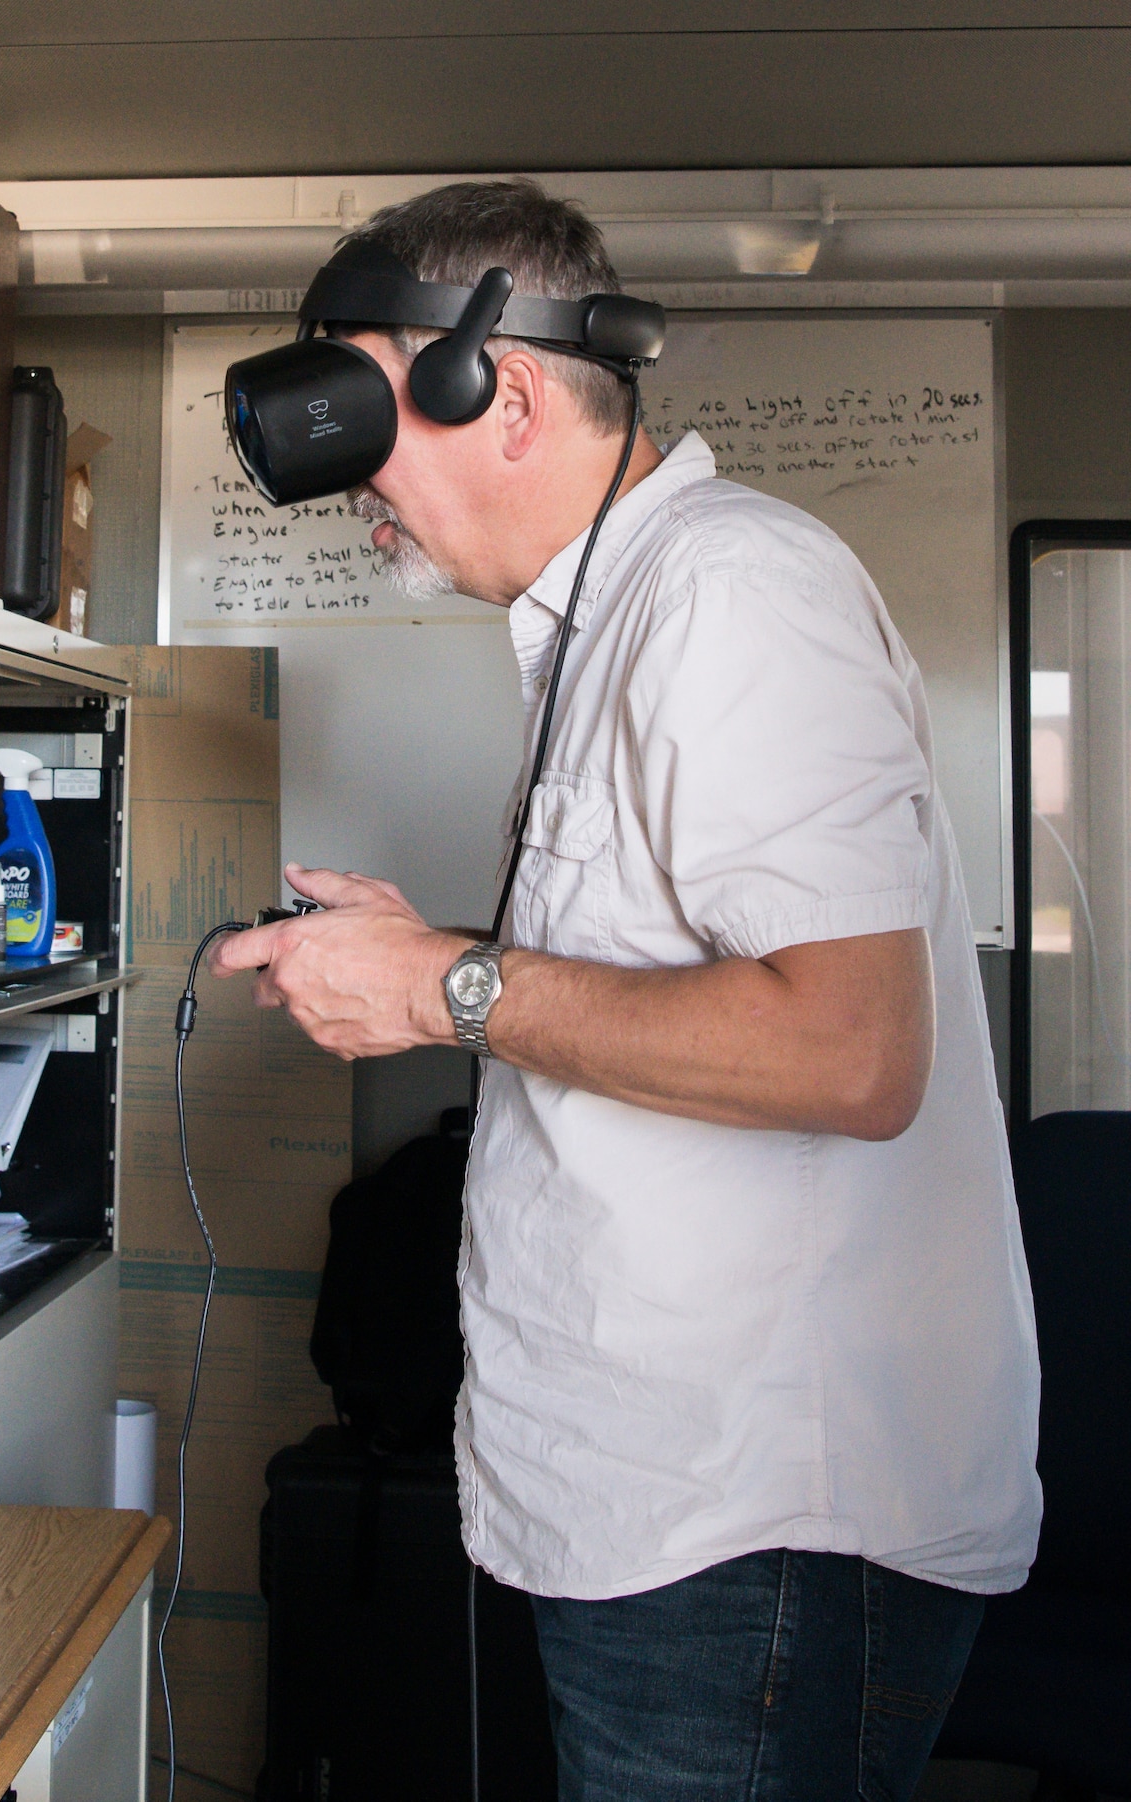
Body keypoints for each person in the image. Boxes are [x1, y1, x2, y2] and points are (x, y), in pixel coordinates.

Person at [210, 181, 1040, 1799]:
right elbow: (667, 976)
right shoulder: (616, 620)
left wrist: (446, 984)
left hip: (756, 1533)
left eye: (358, 406)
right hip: (671, 1513)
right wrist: (431, 952)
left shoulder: (731, 593)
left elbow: (855, 1046)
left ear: (499, 389)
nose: (354, 488)